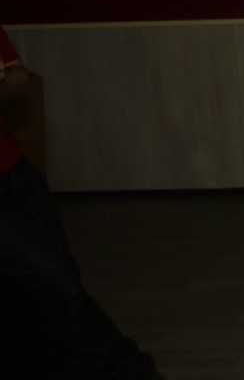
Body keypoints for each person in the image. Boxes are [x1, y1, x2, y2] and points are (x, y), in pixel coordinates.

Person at [0, 26, 163, 379]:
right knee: (52, 284)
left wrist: (7, 78)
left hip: (15, 172)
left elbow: (19, 82)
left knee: (53, 283)